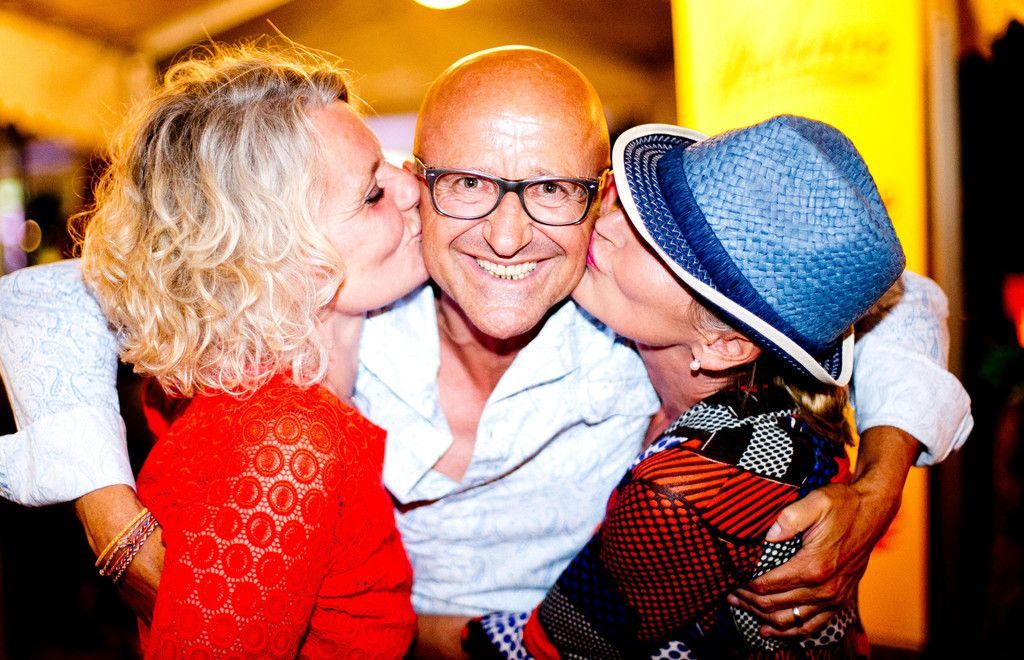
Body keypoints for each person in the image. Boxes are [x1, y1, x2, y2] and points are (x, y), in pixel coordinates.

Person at [0, 46, 972, 656]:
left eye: (550, 189)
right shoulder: (329, 306)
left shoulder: (634, 319)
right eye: (467, 183)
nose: (507, 237)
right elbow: (43, 299)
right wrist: (113, 521)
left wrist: (879, 482)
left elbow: (903, 299)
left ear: (598, 200)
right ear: (419, 184)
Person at [463, 115, 902, 658]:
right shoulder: (757, 404)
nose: (606, 226)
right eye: (630, 205)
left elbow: (540, 650)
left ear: (724, 345)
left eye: (657, 245)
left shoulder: (690, 486)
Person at [75, 44, 424, 656]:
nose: (413, 187)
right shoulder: (288, 444)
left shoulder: (256, 403)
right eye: (373, 193)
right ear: (277, 260)